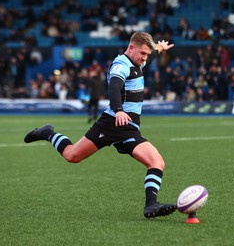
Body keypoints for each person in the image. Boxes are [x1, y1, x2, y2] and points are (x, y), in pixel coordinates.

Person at [24, 32, 176, 219]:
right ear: (131, 48)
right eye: (142, 53)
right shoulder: (121, 65)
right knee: (72, 156)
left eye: (146, 54)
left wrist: (160, 47)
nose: (145, 58)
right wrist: (118, 109)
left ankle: (151, 206)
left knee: (157, 162)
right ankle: (47, 133)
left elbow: (151, 57)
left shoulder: (138, 61)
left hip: (129, 128)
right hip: (111, 124)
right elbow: (114, 87)